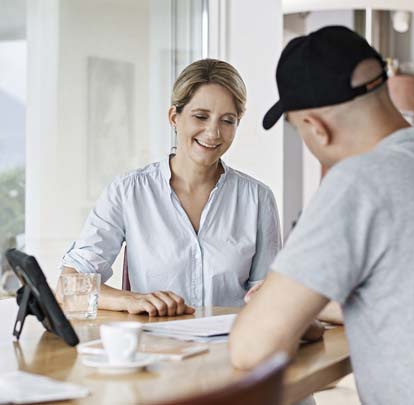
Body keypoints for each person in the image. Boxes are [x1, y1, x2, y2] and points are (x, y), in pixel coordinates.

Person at [229, 26, 414, 404]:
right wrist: (304, 307)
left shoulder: (359, 182)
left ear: (316, 128)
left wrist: (274, 311)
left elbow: (251, 349)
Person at [59, 59, 281, 317]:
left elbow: (269, 299)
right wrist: (131, 300)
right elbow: (68, 285)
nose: (213, 132)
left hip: (232, 349)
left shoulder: (258, 199)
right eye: (200, 116)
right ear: (174, 117)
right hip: (158, 349)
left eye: (227, 121)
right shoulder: (128, 192)